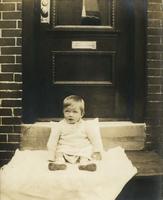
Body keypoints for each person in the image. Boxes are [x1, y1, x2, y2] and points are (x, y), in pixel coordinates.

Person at [47, 95, 103, 171]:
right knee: (59, 151)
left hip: (81, 149)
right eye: (67, 111)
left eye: (75, 112)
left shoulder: (86, 125)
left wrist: (97, 151)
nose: (70, 115)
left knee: (87, 149)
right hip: (65, 148)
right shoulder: (60, 125)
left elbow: (95, 139)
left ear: (82, 114)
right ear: (63, 111)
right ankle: (60, 163)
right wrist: (51, 155)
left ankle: (84, 164)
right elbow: (52, 141)